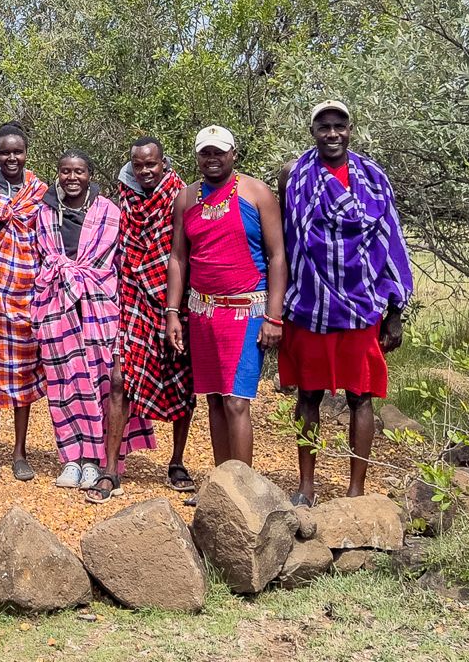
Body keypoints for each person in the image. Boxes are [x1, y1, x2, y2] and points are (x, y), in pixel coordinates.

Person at [279, 100, 414, 505]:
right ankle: (306, 485)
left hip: (362, 305)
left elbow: (391, 241)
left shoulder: (373, 178)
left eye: (339, 126)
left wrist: (395, 312)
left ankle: (356, 489)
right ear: (313, 132)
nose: (332, 133)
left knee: (360, 396)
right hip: (308, 304)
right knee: (308, 395)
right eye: (324, 127)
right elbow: (284, 241)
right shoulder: (294, 176)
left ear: (350, 130)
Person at [164, 125, 286, 483]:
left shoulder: (257, 193)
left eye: (219, 152)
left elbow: (278, 256)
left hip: (247, 309)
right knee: (214, 399)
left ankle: (244, 490)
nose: (212, 159)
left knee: (236, 401)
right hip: (202, 312)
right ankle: (222, 486)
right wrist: (174, 312)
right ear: (197, 156)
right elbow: (178, 258)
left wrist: (274, 317)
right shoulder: (186, 198)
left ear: (233, 154)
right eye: (206, 153)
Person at [32, 150, 156, 497]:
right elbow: (40, 257)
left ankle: (99, 459)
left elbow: (119, 261)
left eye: (79, 172)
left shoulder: (109, 212)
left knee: (101, 381)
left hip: (100, 307)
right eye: (66, 172)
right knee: (64, 383)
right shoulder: (44, 213)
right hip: (57, 305)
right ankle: (72, 457)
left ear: (90, 175)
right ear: (58, 174)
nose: (72, 178)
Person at [106, 136, 197, 496]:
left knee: (181, 383)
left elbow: (183, 250)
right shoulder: (125, 198)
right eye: (138, 164)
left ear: (164, 163)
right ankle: (110, 468)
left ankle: (176, 461)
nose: (144, 171)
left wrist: (176, 304)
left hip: (175, 299)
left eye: (151, 164)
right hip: (132, 299)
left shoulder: (181, 196)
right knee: (119, 379)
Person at [0, 123, 48, 483]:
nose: (11, 158)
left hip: (27, 291)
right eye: (5, 152)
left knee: (23, 372)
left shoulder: (38, 191)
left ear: (26, 153)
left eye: (17, 152)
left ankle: (19, 451)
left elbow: (47, 237)